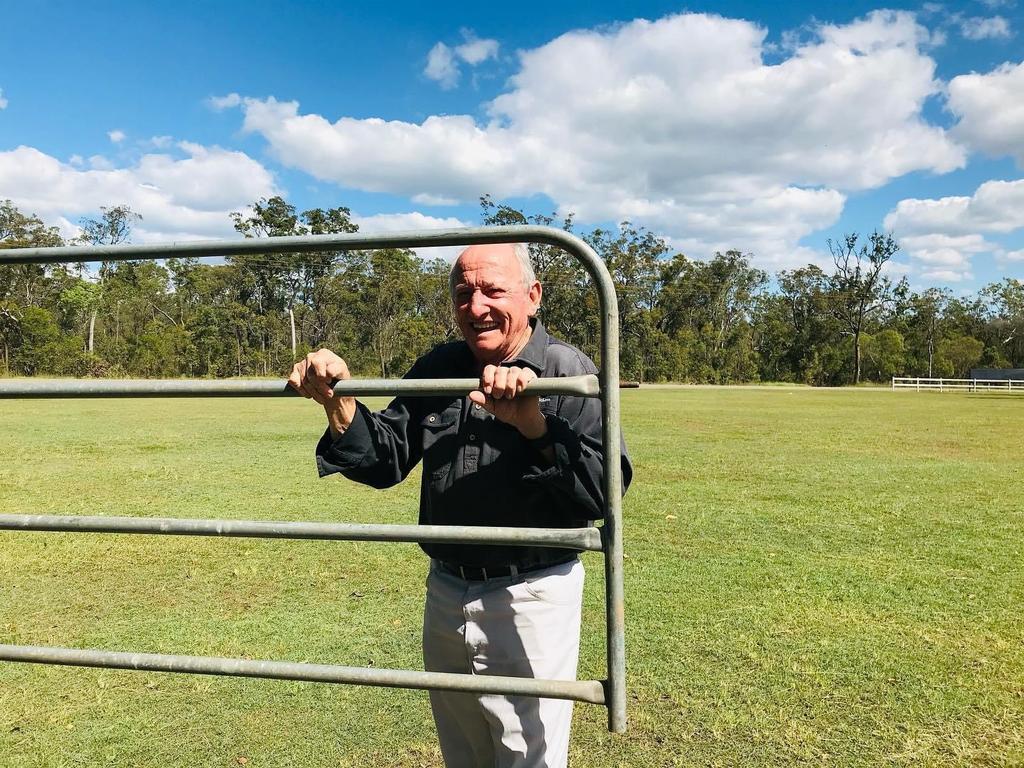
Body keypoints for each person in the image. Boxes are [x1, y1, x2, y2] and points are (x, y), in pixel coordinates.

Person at [288, 242, 631, 768]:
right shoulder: (442, 366)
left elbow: (603, 490)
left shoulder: (567, 370)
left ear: (533, 296)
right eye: (463, 293)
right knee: (463, 751)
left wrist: (534, 424)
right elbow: (386, 458)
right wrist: (339, 399)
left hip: (532, 593)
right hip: (445, 587)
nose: (476, 307)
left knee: (527, 755)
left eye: (494, 290)